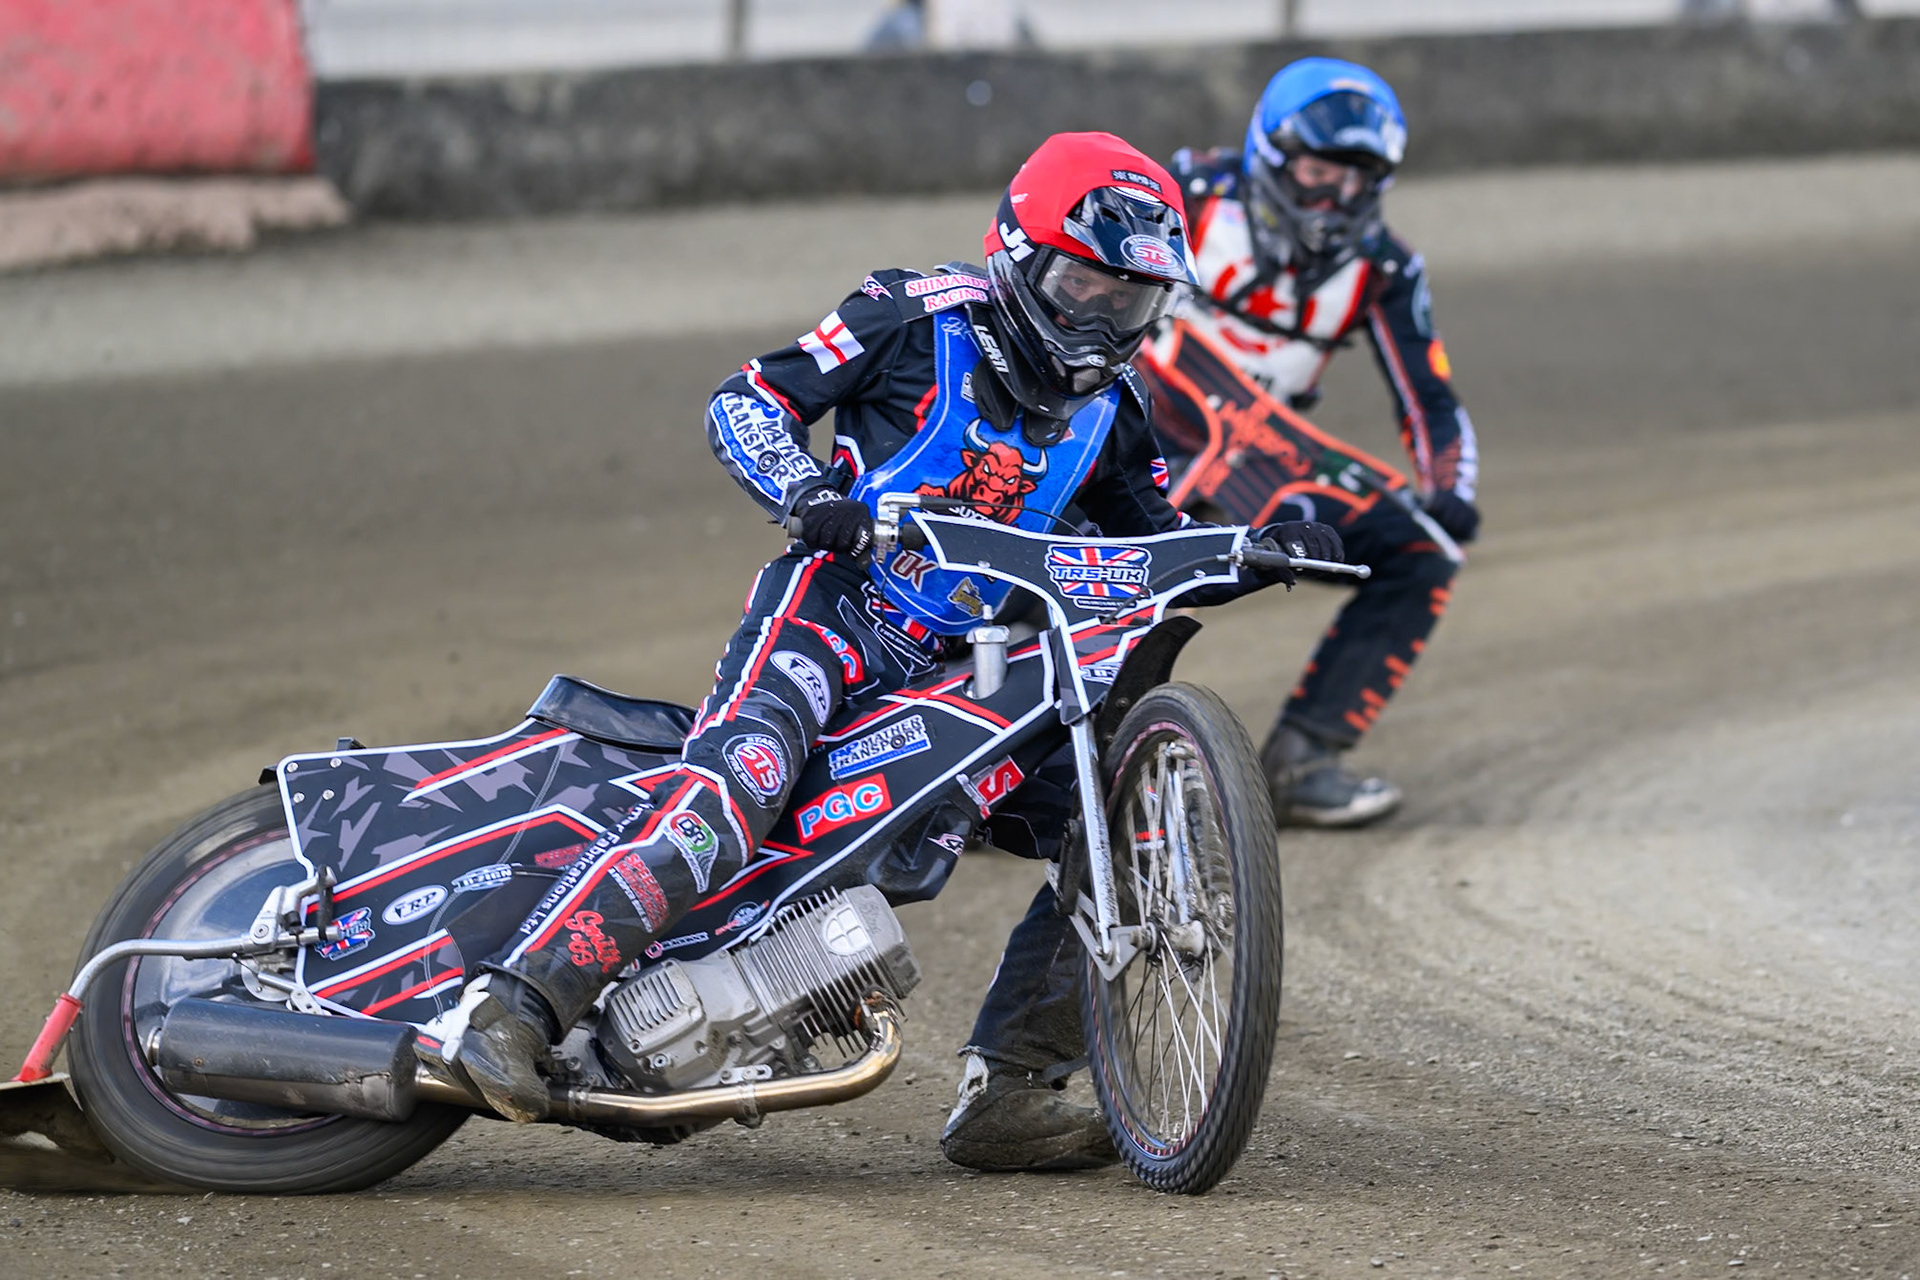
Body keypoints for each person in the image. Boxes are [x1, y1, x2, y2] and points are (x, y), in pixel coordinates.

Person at [444, 132, 1344, 1170]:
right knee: (735, 791)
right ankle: (514, 1002)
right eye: (1085, 284)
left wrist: (1251, 547)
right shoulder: (910, 315)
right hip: (827, 620)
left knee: (1117, 826)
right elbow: (744, 400)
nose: (1102, 322)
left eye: (1131, 301)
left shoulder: (1115, 412)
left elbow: (1147, 535)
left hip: (971, 673)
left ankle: (1010, 1087)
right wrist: (806, 493)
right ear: (1020, 256)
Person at [1138, 58, 1481, 828]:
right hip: (1123, 445)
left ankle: (1302, 762)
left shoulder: (1385, 267)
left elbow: (1429, 395)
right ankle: (1017, 777)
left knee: (1422, 550)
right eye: (1321, 170)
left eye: (1359, 178)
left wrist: (1451, 487)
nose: (1337, 196)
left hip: (1265, 463)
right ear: (1272, 152)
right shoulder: (1185, 194)